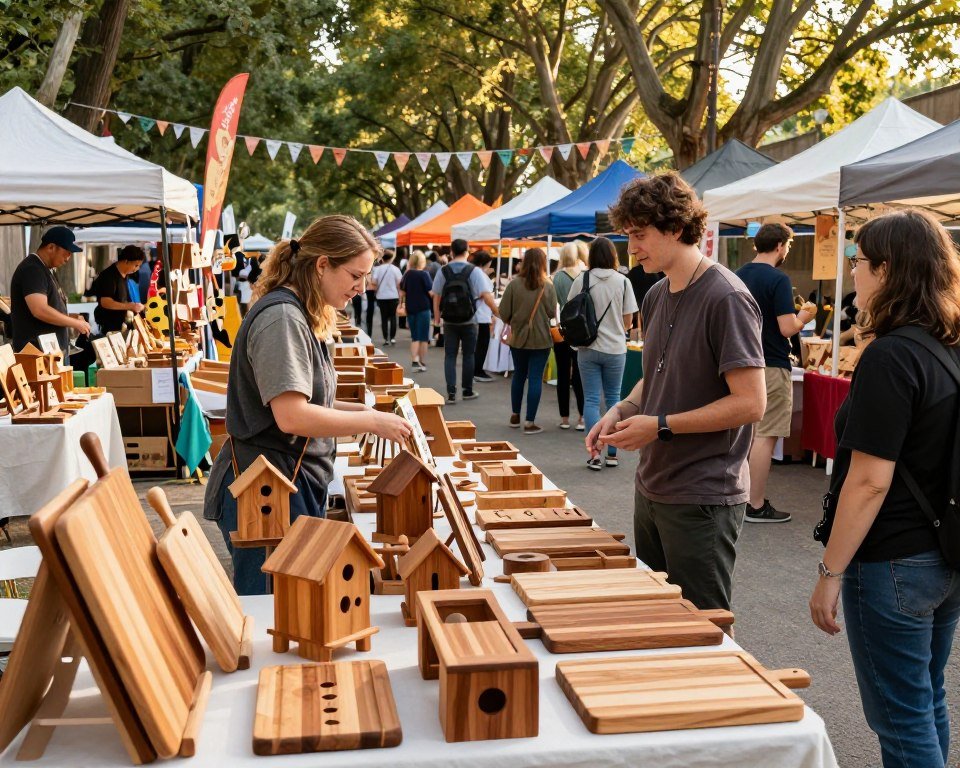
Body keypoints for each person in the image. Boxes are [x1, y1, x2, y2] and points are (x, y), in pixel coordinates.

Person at [809, 210, 960, 768]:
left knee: (901, 720)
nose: (853, 272)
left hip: (895, 560)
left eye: (861, 262)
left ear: (890, 270)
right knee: (924, 700)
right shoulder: (950, 346)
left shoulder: (893, 355)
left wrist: (829, 573)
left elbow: (869, 481)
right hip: (943, 556)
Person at [203, 215, 412, 594]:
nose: (362, 288)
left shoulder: (297, 313)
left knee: (287, 603)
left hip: (288, 481)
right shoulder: (282, 318)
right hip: (266, 492)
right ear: (322, 265)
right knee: (272, 609)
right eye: (355, 275)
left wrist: (372, 415)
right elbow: (292, 416)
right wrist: (371, 423)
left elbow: (317, 402)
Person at [589, 172, 765, 612]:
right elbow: (659, 374)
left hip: (703, 494)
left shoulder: (726, 297)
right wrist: (622, 407)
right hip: (653, 486)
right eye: (628, 235)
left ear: (674, 227)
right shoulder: (656, 295)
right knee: (660, 616)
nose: (631, 248)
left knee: (705, 630)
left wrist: (661, 426)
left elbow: (751, 402)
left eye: (639, 234)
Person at [735, 223, 817, 523]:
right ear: (781, 245)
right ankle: (754, 504)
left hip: (739, 363)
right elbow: (786, 327)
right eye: (789, 246)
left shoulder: (737, 275)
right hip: (771, 363)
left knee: (743, 434)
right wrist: (804, 317)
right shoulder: (778, 279)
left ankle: (736, 498)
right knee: (765, 435)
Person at [568, 237, 638, 469]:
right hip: (615, 349)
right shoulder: (623, 282)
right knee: (614, 400)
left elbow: (570, 312)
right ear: (612, 256)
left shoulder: (581, 279)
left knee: (591, 400)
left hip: (587, 347)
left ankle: (594, 454)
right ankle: (612, 454)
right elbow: (629, 321)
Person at [431, 238, 497, 403]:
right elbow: (486, 295)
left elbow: (436, 296)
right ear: (467, 252)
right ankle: (467, 390)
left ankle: (451, 393)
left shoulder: (443, 271)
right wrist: (499, 313)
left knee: (450, 356)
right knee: (469, 355)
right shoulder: (474, 271)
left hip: (449, 320)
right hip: (469, 319)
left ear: (451, 252)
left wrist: (437, 318)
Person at [499, 248, 557, 433]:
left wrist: (515, 319)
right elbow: (551, 313)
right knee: (535, 378)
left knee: (518, 375)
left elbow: (503, 312)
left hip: (518, 338)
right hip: (541, 339)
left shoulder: (514, 284)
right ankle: (529, 422)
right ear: (543, 263)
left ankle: (515, 415)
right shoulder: (547, 286)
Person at [9, 225, 90, 355]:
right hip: (36, 354)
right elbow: (39, 310)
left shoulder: (45, 269)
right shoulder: (32, 269)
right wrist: (73, 322)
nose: (68, 258)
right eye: (66, 253)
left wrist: (70, 317)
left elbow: (50, 308)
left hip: (51, 354)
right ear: (51, 247)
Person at [552, 242, 586, 430]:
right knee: (580, 375)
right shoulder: (584, 274)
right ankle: (582, 417)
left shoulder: (557, 277)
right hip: (581, 330)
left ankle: (564, 418)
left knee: (563, 374)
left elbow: (554, 307)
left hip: (562, 330)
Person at [84, 244, 146, 334]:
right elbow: (105, 302)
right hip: (109, 326)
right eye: (136, 265)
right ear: (126, 261)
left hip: (121, 324)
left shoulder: (125, 275)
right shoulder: (109, 276)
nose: (137, 269)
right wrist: (130, 306)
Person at [399, 250, 433, 371]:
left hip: (411, 307)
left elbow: (402, 291)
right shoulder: (424, 275)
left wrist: (400, 304)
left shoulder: (407, 274)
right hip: (424, 307)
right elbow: (431, 292)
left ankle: (414, 360)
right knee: (423, 336)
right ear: (422, 261)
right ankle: (422, 362)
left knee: (415, 336)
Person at [469, 250, 496, 382]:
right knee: (482, 343)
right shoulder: (479, 273)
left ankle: (476, 370)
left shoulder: (473, 271)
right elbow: (485, 294)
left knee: (478, 344)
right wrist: (496, 311)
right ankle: (477, 371)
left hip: (477, 313)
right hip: (481, 314)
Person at [371, 249, 402, 345]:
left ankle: (386, 339)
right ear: (391, 258)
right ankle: (392, 338)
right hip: (393, 296)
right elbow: (399, 284)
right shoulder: (395, 269)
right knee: (393, 317)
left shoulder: (378, 269)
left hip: (381, 296)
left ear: (382, 258)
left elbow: (374, 283)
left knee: (384, 318)